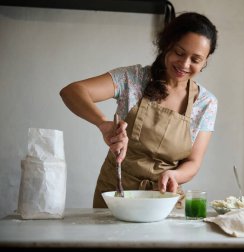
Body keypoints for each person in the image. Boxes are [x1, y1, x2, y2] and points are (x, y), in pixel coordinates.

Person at [60, 12, 218, 208]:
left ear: (205, 61)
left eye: (195, 59)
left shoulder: (206, 103)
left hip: (165, 200)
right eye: (179, 52)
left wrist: (174, 175)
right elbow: (72, 92)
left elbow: (193, 162)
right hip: (117, 194)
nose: (185, 64)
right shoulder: (132, 79)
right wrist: (103, 123)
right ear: (167, 44)